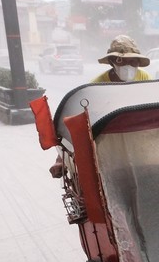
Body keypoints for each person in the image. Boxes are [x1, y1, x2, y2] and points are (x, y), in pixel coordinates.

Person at [49, 35, 151, 177]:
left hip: (140, 142)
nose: (128, 66)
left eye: (133, 61)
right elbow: (76, 124)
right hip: (109, 148)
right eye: (122, 61)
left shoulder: (145, 79)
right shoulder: (96, 86)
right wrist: (60, 160)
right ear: (111, 61)